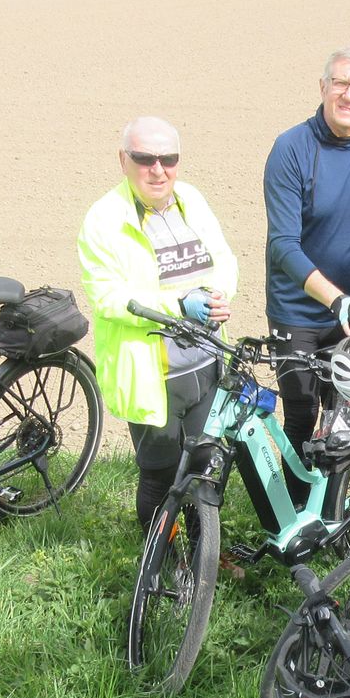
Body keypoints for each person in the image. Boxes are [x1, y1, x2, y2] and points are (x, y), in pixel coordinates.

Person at [77, 116, 236, 530]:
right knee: (159, 473)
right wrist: (179, 305)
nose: (158, 170)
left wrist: (220, 293)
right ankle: (157, 556)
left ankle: (202, 553)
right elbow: (109, 298)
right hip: (153, 374)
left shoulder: (192, 200)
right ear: (123, 160)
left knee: (205, 467)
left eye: (169, 158)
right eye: (145, 158)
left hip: (206, 365)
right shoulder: (103, 220)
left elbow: (223, 259)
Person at [263, 46, 350, 473]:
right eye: (341, 83)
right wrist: (336, 299)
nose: (349, 95)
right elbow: (284, 246)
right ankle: (290, 511)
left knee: (344, 419)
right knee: (302, 416)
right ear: (323, 87)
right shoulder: (291, 148)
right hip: (297, 312)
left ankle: (330, 507)